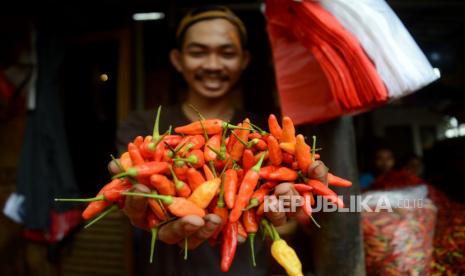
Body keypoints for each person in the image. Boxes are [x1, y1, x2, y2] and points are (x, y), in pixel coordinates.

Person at [110, 5, 329, 276]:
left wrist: (291, 217)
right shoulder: (140, 127)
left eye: (227, 53)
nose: (213, 65)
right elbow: (129, 197)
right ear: (177, 59)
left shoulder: (262, 132)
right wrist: (132, 198)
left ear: (244, 60)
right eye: (198, 52)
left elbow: (287, 214)